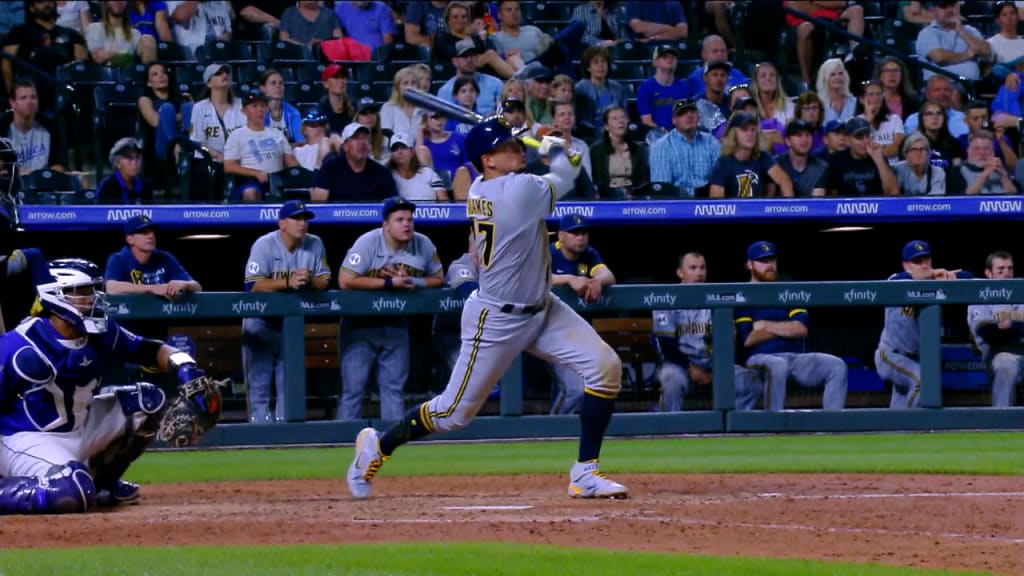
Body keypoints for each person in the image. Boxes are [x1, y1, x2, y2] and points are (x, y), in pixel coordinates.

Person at [346, 118, 628, 501]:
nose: (519, 150)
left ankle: (585, 473)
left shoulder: (484, 184)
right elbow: (569, 171)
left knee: (605, 368)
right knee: (453, 413)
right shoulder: (516, 191)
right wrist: (556, 146)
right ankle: (377, 446)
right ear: (488, 160)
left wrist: (543, 142)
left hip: (542, 307)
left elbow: (559, 168)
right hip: (496, 318)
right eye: (508, 147)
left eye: (517, 144)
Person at [0, 257, 220, 514]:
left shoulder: (101, 332)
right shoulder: (19, 346)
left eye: (92, 291)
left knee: (149, 400)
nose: (91, 299)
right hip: (29, 439)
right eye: (81, 293)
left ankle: (102, 485)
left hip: (80, 428)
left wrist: (186, 367)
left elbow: (150, 349)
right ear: (55, 295)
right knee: (70, 493)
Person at [337, 197, 444, 422]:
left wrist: (415, 283)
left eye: (410, 219)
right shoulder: (368, 242)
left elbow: (438, 278)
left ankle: (391, 443)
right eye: (399, 220)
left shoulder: (423, 244)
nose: (407, 224)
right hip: (360, 325)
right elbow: (345, 280)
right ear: (386, 225)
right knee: (353, 391)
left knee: (393, 390)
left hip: (395, 324)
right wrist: (388, 284)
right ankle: (343, 442)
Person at [243, 200, 330, 423]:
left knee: (288, 384)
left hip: (290, 324)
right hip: (260, 321)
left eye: (305, 219)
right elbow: (252, 285)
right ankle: (259, 430)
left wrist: (309, 279)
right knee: (259, 383)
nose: (303, 224)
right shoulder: (264, 244)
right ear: (282, 223)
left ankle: (284, 432)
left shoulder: (315, 243)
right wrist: (287, 281)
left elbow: (325, 281)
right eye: (297, 218)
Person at [736, 241, 848, 411]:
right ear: (750, 265)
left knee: (837, 365)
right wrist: (786, 328)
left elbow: (801, 329)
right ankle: (773, 427)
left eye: (772, 260)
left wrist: (765, 326)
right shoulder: (742, 294)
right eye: (763, 261)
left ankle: (832, 428)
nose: (769, 265)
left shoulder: (788, 288)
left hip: (795, 358)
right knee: (777, 365)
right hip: (760, 358)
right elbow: (748, 339)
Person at [653, 252, 763, 412]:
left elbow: (728, 342)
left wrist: (719, 368)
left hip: (714, 365)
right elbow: (666, 345)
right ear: (680, 273)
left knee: (750, 381)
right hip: (680, 365)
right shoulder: (666, 298)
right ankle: (672, 430)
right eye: (693, 268)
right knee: (671, 380)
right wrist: (691, 369)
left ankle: (733, 430)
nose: (699, 273)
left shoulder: (717, 297)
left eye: (702, 268)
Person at [875, 240, 972, 409]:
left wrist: (950, 277)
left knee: (897, 414)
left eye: (927, 260)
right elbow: (899, 280)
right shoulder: (896, 280)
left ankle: (898, 432)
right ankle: (912, 426)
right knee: (922, 381)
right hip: (890, 355)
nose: (924, 265)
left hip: (915, 360)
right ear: (906, 265)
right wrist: (934, 274)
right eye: (917, 262)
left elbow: (970, 276)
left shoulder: (935, 283)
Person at [549, 213, 615, 414]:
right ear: (561, 235)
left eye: (583, 232)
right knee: (576, 390)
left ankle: (560, 431)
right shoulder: (548, 252)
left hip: (578, 337)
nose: (580, 237)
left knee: (588, 386)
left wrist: (597, 281)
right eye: (574, 233)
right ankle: (553, 428)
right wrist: (569, 279)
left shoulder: (589, 254)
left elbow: (608, 275)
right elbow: (533, 278)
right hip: (547, 335)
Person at [3, 0, 88, 112]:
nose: (47, 4)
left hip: (63, 91)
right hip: (30, 90)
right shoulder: (18, 33)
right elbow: (6, 65)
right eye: (41, 2)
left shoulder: (71, 35)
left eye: (50, 1)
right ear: (32, 8)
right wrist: (12, 95)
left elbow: (81, 65)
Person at [967, 250, 1023, 407]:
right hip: (997, 356)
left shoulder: (1020, 289)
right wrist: (1018, 322)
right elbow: (989, 334)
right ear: (989, 273)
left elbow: (1005, 328)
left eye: (1010, 269)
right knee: (1006, 363)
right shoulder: (979, 296)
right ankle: (1001, 420)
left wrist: (1009, 324)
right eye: (1001, 270)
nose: (1007, 274)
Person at [223, 91, 297, 202]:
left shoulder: (277, 134)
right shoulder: (237, 135)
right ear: (244, 111)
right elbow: (229, 166)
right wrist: (256, 173)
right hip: (250, 180)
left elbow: (290, 162)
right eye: (254, 106)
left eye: (263, 106)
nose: (260, 110)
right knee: (250, 193)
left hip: (277, 180)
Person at [105, 215, 200, 301]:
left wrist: (183, 284)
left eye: (152, 232)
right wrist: (154, 288)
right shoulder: (119, 259)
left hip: (160, 317)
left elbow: (197, 287)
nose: (150, 236)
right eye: (144, 232)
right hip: (129, 317)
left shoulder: (164, 257)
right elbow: (111, 287)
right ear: (130, 239)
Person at [709, 112, 794, 198]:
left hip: (757, 210)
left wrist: (790, 208)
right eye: (744, 130)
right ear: (733, 134)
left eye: (753, 129)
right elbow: (717, 204)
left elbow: (785, 181)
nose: (750, 134)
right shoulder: (723, 163)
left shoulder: (763, 157)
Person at [785, 0, 865, 87]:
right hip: (806, 20)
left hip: (833, 19)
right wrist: (828, 5)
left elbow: (841, 3)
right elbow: (797, 7)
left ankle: (853, 55)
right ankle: (806, 79)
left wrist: (813, 2)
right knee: (806, 28)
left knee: (857, 10)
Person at [649, 98, 720, 197]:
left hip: (707, 203)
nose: (689, 115)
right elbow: (662, 190)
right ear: (674, 120)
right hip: (675, 204)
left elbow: (720, 182)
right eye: (682, 113)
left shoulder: (711, 143)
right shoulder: (662, 147)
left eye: (692, 112)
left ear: (698, 117)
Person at [432, 236, 478, 388]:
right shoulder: (460, 265)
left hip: (486, 335)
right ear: (471, 249)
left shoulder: (502, 266)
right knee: (469, 378)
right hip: (453, 333)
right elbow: (470, 292)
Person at [311, 123, 398, 202]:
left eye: (365, 138)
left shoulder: (381, 172)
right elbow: (318, 206)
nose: (362, 142)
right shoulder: (329, 168)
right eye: (356, 138)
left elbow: (392, 207)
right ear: (345, 146)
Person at [915, 0, 989, 82]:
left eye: (953, 5)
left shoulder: (970, 30)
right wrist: (967, 54)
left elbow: (986, 51)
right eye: (944, 6)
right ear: (934, 10)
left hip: (971, 86)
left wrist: (961, 31)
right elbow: (939, 58)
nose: (950, 10)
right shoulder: (928, 32)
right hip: (942, 88)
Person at [4, 79, 67, 174]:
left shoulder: (51, 127)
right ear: (13, 103)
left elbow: (60, 164)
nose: (29, 102)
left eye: (33, 97)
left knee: (82, 179)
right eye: (23, 98)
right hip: (11, 184)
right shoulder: (3, 127)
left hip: (43, 184)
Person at [827, 117, 899, 196]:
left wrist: (879, 160)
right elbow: (831, 196)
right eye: (859, 137)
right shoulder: (836, 159)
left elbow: (893, 192)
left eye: (867, 135)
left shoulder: (879, 157)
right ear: (847, 140)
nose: (866, 141)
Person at [589, 105, 649, 199]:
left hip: (634, 196)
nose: (620, 121)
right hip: (607, 197)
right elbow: (598, 181)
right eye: (615, 118)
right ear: (606, 126)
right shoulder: (596, 150)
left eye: (623, 117)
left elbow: (643, 180)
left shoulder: (638, 149)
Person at [438, 39, 504, 117]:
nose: (469, 59)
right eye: (464, 56)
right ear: (454, 61)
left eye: (473, 55)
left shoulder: (495, 84)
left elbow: (505, 113)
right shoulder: (445, 91)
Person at [573, 46, 630, 135]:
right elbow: (581, 120)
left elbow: (625, 114)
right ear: (588, 68)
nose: (601, 65)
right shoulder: (581, 88)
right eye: (596, 62)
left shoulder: (617, 88)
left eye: (603, 61)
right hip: (592, 134)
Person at [85, 0, 154, 66]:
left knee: (148, 40)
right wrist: (127, 56)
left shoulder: (135, 33)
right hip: (104, 76)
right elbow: (98, 58)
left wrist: (109, 55)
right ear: (106, 4)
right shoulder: (95, 28)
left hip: (129, 75)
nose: (118, 1)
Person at [947, 131, 1018, 195]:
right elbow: (959, 201)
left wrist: (1003, 176)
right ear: (968, 151)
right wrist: (984, 174)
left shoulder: (1002, 169)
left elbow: (1016, 198)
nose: (981, 153)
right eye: (977, 148)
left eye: (986, 149)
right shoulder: (957, 170)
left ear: (993, 152)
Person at [636, 45, 687, 131]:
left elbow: (686, 117)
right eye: (665, 57)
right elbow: (647, 121)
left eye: (673, 57)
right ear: (655, 62)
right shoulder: (645, 88)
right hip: (655, 137)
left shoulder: (684, 87)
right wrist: (662, 132)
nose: (670, 59)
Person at [682, 35, 749, 99]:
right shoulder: (694, 78)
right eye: (715, 51)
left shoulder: (737, 74)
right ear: (704, 54)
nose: (720, 54)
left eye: (723, 51)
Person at [958, 100, 1017, 171]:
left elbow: (1014, 167)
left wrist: (1001, 141)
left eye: (984, 118)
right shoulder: (961, 140)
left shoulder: (1001, 138)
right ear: (966, 121)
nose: (980, 122)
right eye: (975, 119)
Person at [775, 119, 828, 197]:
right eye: (799, 135)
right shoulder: (775, 165)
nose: (805, 139)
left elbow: (816, 204)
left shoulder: (821, 168)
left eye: (808, 135)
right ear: (787, 141)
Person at [387, 133, 446, 201]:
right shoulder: (388, 177)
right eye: (395, 149)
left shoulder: (428, 173)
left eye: (403, 148)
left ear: (412, 151)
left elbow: (445, 203)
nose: (399, 152)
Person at [95, 138, 155, 204]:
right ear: (117, 163)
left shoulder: (145, 185)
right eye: (129, 158)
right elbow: (99, 213)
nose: (134, 163)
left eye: (137, 158)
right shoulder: (107, 186)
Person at [858, 79, 904, 164]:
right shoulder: (854, 122)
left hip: (893, 167)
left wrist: (873, 151)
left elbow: (896, 149)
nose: (875, 98)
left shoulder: (895, 119)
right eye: (871, 94)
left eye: (878, 94)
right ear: (861, 99)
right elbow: (860, 150)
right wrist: (869, 120)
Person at [905, 75, 969, 137]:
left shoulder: (963, 118)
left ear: (951, 93)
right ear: (927, 94)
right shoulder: (914, 120)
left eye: (946, 89)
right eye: (937, 90)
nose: (942, 93)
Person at [380, 67, 426, 142]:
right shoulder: (388, 108)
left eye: (413, 83)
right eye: (405, 83)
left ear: (418, 87)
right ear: (398, 88)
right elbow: (384, 139)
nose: (410, 87)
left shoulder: (425, 108)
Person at [166, 0, 232, 50]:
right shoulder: (174, 2)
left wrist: (226, 36)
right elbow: (181, 15)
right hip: (189, 56)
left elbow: (228, 31)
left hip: (217, 55)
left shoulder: (221, 4)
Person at [260, 69, 303, 144]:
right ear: (263, 88)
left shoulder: (293, 113)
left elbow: (301, 141)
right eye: (273, 83)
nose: (278, 86)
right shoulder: (258, 113)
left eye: (281, 83)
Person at [421, 111, 466, 178]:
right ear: (426, 121)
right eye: (435, 117)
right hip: (432, 185)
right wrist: (420, 131)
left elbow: (468, 165)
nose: (440, 120)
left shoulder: (460, 138)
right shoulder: (422, 143)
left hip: (458, 183)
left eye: (442, 116)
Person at [873, 56, 919, 122]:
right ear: (880, 76)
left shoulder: (912, 99)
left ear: (902, 75)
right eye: (887, 71)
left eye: (896, 71)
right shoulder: (871, 99)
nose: (892, 75)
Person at [316, 63, 354, 137]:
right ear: (325, 84)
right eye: (336, 77)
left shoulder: (354, 107)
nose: (341, 81)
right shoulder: (320, 109)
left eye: (343, 77)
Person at [695, 60, 732, 134]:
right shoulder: (695, 104)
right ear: (705, 78)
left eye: (723, 75)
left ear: (727, 79)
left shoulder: (731, 104)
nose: (719, 79)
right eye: (715, 75)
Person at [751, 61, 793, 126]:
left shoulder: (788, 104)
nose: (768, 78)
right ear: (756, 82)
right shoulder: (749, 105)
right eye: (763, 75)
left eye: (772, 75)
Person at [816, 58, 856, 126]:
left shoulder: (854, 102)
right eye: (832, 74)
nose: (837, 77)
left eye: (840, 73)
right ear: (824, 78)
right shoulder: (819, 105)